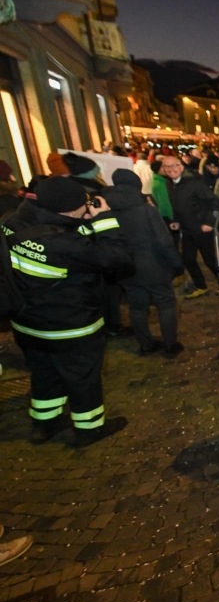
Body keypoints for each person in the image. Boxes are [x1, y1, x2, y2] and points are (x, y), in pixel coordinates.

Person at [6, 177, 133, 446]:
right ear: (68, 210)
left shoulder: (12, 223)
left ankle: (44, 424)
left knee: (44, 373)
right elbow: (117, 258)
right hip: (70, 325)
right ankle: (89, 427)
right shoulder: (62, 244)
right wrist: (106, 219)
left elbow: (64, 240)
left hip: (27, 323)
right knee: (82, 378)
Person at [103, 169, 184, 357]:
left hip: (126, 268)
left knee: (137, 307)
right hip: (153, 266)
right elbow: (163, 240)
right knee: (165, 304)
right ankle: (171, 345)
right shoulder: (146, 210)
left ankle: (146, 344)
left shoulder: (108, 211)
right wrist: (176, 263)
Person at [165, 155, 219, 298]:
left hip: (202, 228)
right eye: (167, 167)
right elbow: (178, 206)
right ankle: (201, 286)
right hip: (186, 229)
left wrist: (209, 222)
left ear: (181, 166)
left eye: (174, 165)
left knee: (209, 259)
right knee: (188, 259)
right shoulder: (170, 185)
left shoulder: (194, 184)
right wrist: (176, 221)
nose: (171, 169)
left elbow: (215, 202)